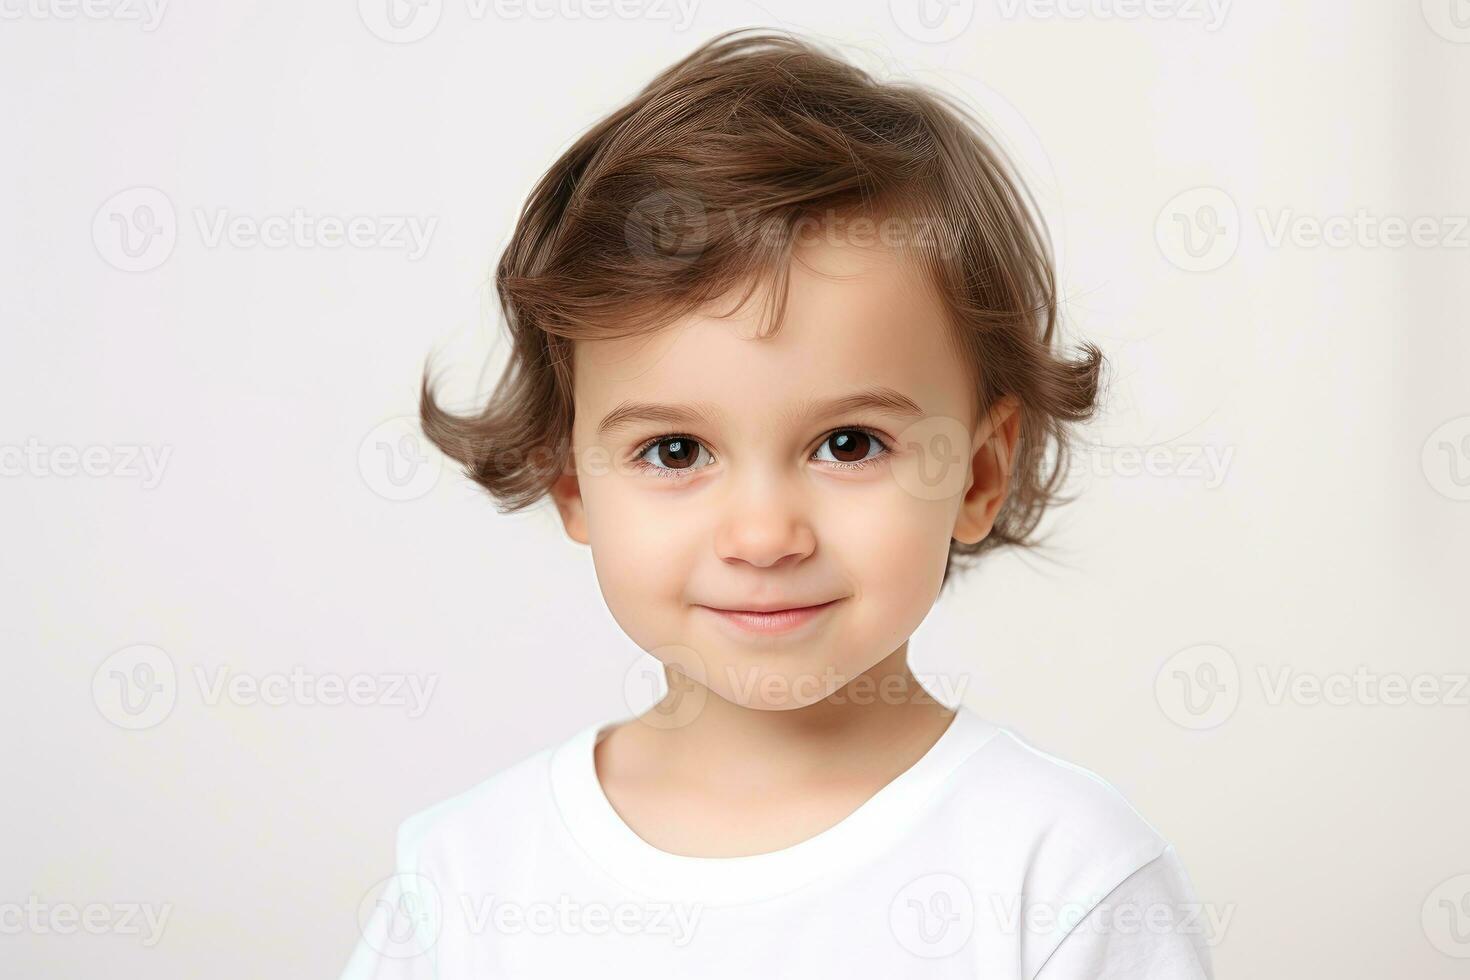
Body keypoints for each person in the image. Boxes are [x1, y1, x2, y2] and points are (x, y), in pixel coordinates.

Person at [341, 28, 1215, 979]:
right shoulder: (466, 885)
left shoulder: (1064, 878)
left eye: (849, 445)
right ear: (571, 480)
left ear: (977, 475)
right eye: (675, 451)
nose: (762, 536)